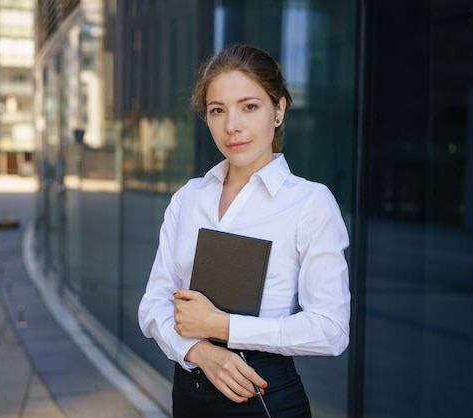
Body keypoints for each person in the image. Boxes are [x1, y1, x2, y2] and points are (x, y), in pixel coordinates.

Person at [138, 43, 350, 418]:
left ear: (279, 109)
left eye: (249, 107)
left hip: (263, 397)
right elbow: (153, 305)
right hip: (189, 393)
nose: (232, 125)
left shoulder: (310, 203)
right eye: (217, 110)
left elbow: (331, 329)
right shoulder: (189, 199)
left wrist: (224, 326)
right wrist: (200, 351)